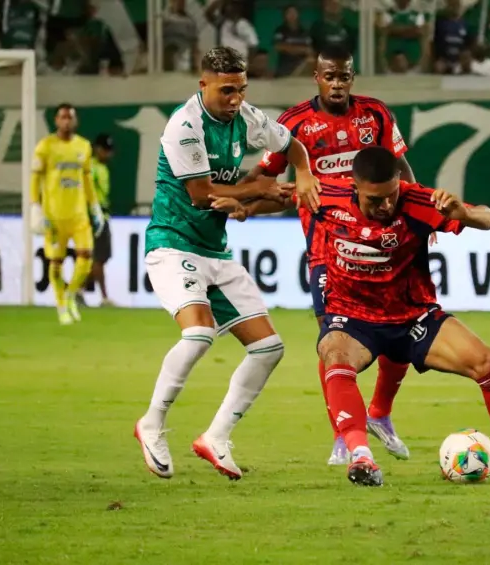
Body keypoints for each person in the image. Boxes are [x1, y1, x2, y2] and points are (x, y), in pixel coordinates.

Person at [211, 146, 490, 487]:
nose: (385, 205)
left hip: (414, 316)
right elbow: (281, 195)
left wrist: (464, 213)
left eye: (391, 195)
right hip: (353, 318)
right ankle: (361, 456)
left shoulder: (418, 201)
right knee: (334, 354)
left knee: (488, 363)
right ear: (355, 187)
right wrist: (241, 207)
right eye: (374, 199)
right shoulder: (327, 196)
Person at [134, 46, 319, 481]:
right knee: (198, 334)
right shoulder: (185, 126)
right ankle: (152, 423)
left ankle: (215, 437)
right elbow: (201, 195)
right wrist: (261, 192)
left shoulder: (246, 117)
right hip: (173, 246)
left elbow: (293, 146)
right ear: (204, 85)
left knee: (269, 348)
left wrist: (303, 175)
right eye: (226, 90)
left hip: (215, 251)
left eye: (241, 89)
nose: (235, 98)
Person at [242, 45, 424, 467]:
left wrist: (419, 217)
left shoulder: (375, 115)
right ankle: (346, 435)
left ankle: (379, 412)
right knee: (333, 342)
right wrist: (242, 203)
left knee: (402, 325)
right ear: (316, 77)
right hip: (328, 249)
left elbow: (401, 168)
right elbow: (265, 175)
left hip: (386, 244)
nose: (337, 84)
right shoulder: (294, 124)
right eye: (330, 76)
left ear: (352, 77)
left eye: (344, 76)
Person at [29, 103, 105, 325]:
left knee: (86, 258)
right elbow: (35, 179)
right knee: (56, 263)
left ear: (75, 121)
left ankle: (70, 294)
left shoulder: (83, 146)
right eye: (62, 117)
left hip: (79, 215)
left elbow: (88, 179)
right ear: (56, 121)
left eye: (70, 117)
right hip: (54, 216)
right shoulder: (45, 147)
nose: (66, 121)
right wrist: (35, 206)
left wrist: (95, 207)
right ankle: (61, 306)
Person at [87, 133, 115, 306]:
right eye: (105, 150)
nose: (108, 154)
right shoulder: (91, 168)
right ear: (97, 149)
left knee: (100, 258)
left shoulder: (102, 168)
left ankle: (76, 290)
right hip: (96, 217)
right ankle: (103, 297)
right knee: (98, 258)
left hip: (103, 215)